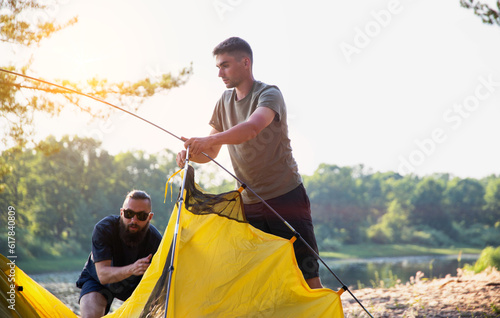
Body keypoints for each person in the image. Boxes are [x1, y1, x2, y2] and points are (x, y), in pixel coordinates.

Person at [176, 37, 322, 289]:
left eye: (225, 66)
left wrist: (207, 140)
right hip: (249, 204)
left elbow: (252, 128)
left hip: (286, 198)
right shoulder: (224, 101)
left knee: (308, 277)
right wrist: (191, 154)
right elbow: (210, 152)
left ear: (246, 62)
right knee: (266, 282)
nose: (220, 73)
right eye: (218, 68)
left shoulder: (269, 94)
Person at [76, 190, 162, 318]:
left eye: (141, 216)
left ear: (150, 217)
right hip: (97, 282)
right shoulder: (104, 229)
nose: (134, 220)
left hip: (136, 288)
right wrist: (133, 269)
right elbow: (103, 275)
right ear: (121, 212)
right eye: (129, 214)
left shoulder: (156, 241)